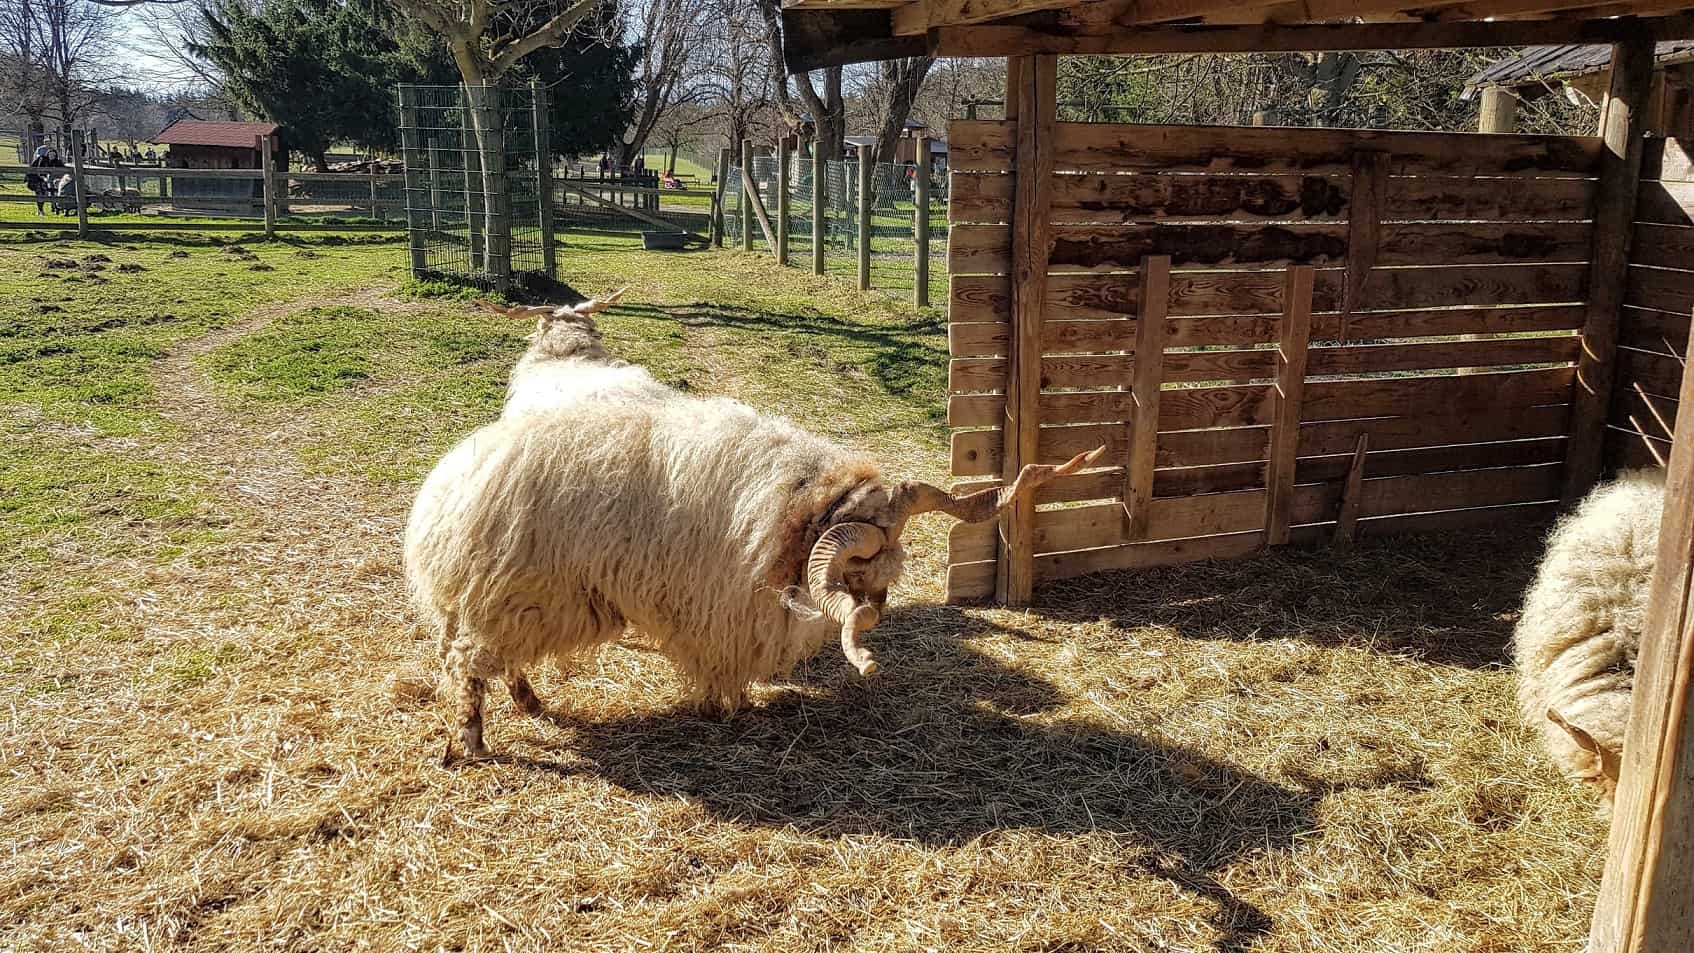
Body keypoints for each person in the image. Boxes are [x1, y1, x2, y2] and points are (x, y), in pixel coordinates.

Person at [25, 145, 57, 215]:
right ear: (48, 154)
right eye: (50, 154)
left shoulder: (54, 161)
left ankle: (40, 210)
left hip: (43, 179)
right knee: (40, 193)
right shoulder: (42, 159)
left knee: (44, 194)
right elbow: (39, 171)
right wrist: (45, 178)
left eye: (54, 155)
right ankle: (40, 211)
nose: (52, 156)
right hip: (34, 178)